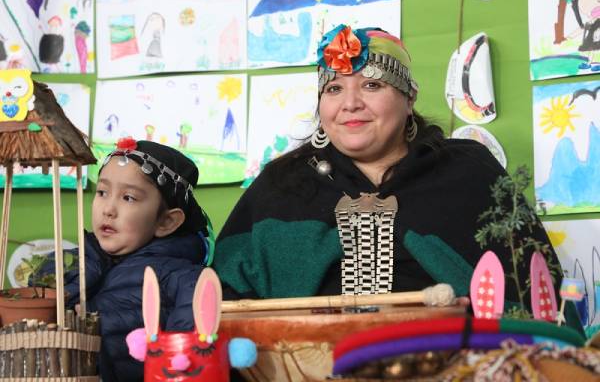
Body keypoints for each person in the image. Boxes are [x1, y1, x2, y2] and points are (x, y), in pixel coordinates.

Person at [214, 25, 582, 330]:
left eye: (372, 85)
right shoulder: (282, 185)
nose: (350, 103)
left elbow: (533, 293)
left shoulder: (468, 172)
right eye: (334, 89)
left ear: (409, 99)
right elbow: (223, 301)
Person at [39, 138, 212, 381]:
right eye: (102, 192)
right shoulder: (67, 262)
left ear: (166, 222)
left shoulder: (186, 280)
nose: (108, 209)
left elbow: (185, 361)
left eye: (128, 197)